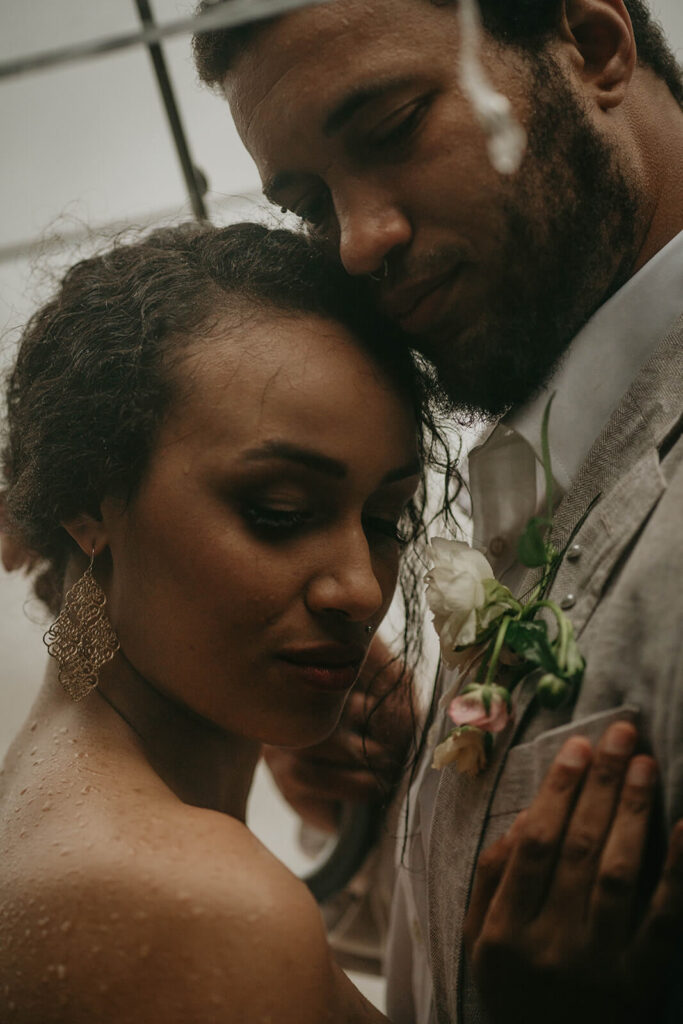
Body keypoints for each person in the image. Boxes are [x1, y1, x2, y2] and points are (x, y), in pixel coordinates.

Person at [191, 0, 683, 1020]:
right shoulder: (547, 444)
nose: (357, 244)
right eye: (310, 207)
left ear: (590, 48)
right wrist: (382, 806)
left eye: (390, 129)